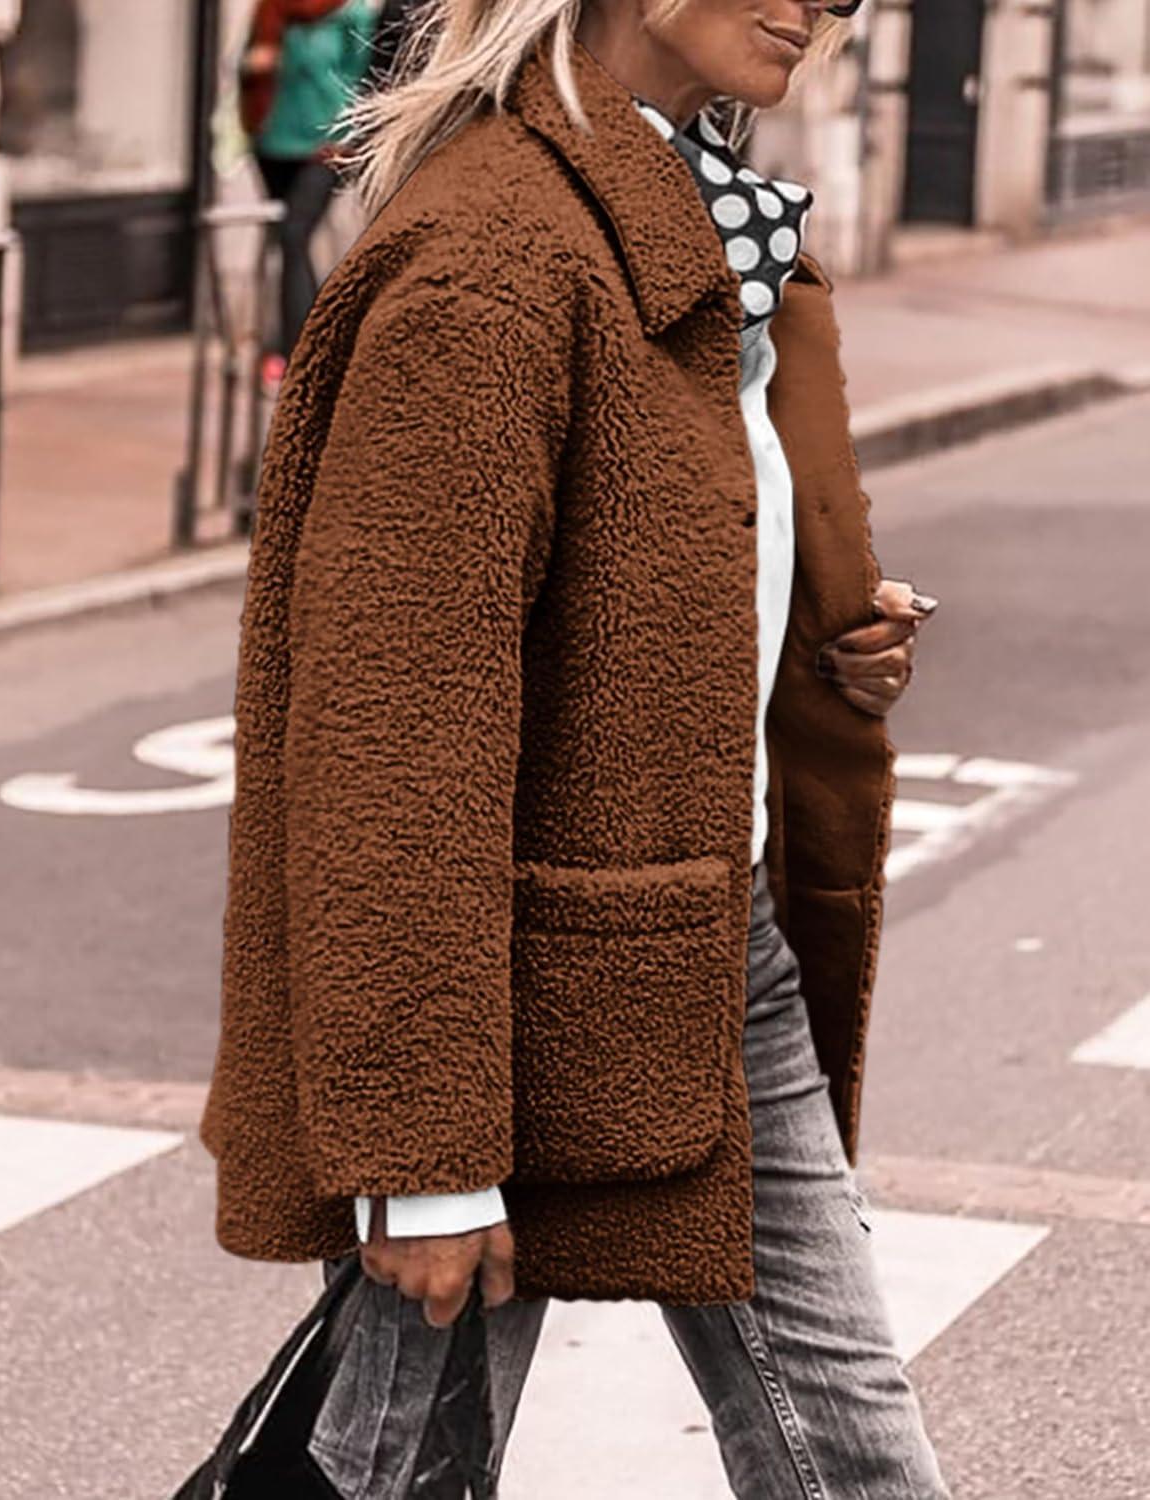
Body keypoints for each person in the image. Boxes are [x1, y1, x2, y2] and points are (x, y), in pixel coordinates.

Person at [202, 1, 951, 1494]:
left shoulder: (673, 202)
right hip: (501, 992)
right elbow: (390, 734)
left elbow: (651, 553)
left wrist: (813, 633)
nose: (824, 5)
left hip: (697, 940)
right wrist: (425, 1161)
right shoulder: (490, 258)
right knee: (387, 1469)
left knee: (855, 1453)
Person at [237, 0, 379, 381]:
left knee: (294, 235)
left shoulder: (352, 14)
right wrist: (256, 66)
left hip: (325, 148)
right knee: (286, 244)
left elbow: (364, 83)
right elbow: (244, 67)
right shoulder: (271, 9)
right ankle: (298, 346)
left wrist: (349, 139)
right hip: (273, 141)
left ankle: (298, 354)